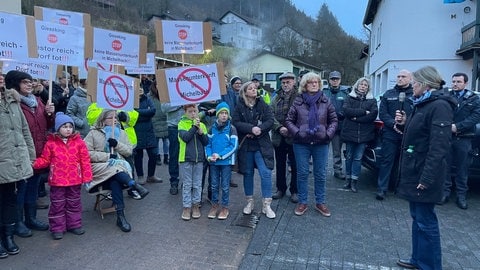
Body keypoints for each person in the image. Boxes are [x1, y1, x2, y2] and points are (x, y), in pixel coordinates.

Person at [395, 66, 455, 270]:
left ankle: (429, 266)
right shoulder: (423, 104)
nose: (412, 86)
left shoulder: (440, 106)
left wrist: (427, 178)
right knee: (417, 218)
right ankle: (418, 260)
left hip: (424, 174)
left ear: (426, 84)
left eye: (415, 83)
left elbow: (439, 147)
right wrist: (404, 124)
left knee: (426, 221)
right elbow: (420, 135)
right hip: (415, 170)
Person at [84, 109, 149, 232]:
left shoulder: (122, 134)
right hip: (99, 170)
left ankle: (120, 216)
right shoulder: (93, 133)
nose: (115, 120)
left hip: (116, 172)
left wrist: (117, 144)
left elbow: (129, 151)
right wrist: (107, 157)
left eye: (116, 118)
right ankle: (133, 184)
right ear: (103, 120)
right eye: (111, 118)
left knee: (115, 181)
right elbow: (86, 153)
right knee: (114, 168)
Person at [6, 70, 53, 237]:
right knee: (21, 189)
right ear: (15, 84)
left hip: (38, 152)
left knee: (32, 187)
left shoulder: (38, 101)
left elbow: (46, 125)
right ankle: (18, 222)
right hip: (21, 153)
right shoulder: (13, 104)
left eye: (30, 81)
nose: (30, 84)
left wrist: (49, 113)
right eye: (25, 82)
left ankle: (31, 218)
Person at [32, 113, 93, 240]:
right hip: (57, 181)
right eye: (64, 126)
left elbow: (85, 160)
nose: (68, 129)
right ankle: (57, 227)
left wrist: (87, 177)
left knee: (74, 204)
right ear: (58, 128)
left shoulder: (79, 142)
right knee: (57, 205)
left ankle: (74, 224)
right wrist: (33, 164)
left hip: (74, 180)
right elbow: (45, 159)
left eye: (70, 126)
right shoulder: (51, 144)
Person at [285, 72, 338, 217]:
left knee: (320, 174)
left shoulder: (326, 101)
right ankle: (303, 202)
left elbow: (334, 120)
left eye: (316, 82)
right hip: (301, 143)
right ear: (305, 85)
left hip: (321, 143)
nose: (314, 84)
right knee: (302, 174)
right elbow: (289, 120)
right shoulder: (298, 101)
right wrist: (297, 132)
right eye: (311, 82)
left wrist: (328, 134)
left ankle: (320, 202)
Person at [0, 74, 36, 258]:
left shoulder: (12, 99)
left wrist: (30, 155)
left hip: (16, 158)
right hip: (2, 159)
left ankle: (8, 236)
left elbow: (24, 130)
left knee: (9, 200)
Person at [232, 81, 276, 219]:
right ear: (245, 92)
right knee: (248, 173)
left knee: (266, 173)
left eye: (254, 88)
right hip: (246, 146)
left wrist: (259, 129)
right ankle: (249, 202)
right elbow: (236, 122)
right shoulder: (239, 106)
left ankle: (266, 205)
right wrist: (250, 129)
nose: (254, 90)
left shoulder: (262, 103)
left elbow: (270, 120)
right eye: (250, 88)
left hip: (261, 144)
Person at [441, 73, 480, 209]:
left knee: (462, 169)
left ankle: (461, 196)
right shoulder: (446, 96)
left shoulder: (474, 98)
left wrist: (458, 127)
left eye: (458, 81)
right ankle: (445, 193)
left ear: (465, 83)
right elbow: (441, 112)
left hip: (464, 138)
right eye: (453, 81)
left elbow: (475, 117)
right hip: (448, 137)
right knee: (446, 166)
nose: (455, 84)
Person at [375, 70, 414, 200]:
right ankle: (382, 189)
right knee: (387, 161)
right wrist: (393, 124)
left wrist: (405, 124)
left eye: (403, 76)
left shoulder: (415, 94)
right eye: (398, 76)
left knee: (406, 163)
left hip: (408, 134)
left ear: (410, 79)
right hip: (390, 134)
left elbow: (419, 114)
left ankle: (402, 189)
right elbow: (383, 113)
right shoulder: (389, 94)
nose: (400, 78)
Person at [341, 77, 378, 193]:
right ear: (357, 86)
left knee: (358, 158)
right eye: (361, 84)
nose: (363, 86)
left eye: (365, 85)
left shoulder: (372, 101)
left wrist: (355, 118)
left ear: (368, 88)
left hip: (364, 134)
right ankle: (347, 179)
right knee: (349, 157)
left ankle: (354, 181)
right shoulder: (349, 97)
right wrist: (363, 113)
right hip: (350, 133)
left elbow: (372, 115)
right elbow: (346, 111)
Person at [206, 102, 238, 220]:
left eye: (226, 113)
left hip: (225, 163)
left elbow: (233, 146)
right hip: (213, 162)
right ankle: (214, 205)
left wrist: (220, 155)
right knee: (214, 185)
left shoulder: (231, 129)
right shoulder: (211, 129)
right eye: (221, 113)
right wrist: (209, 156)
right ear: (217, 115)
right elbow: (207, 145)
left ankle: (225, 207)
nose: (224, 115)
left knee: (225, 186)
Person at [271, 72, 299, 203]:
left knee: (295, 165)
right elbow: (270, 115)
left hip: (294, 137)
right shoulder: (276, 97)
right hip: (279, 136)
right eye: (283, 82)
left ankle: (294, 191)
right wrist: (279, 127)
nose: (285, 85)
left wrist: (290, 128)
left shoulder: (300, 97)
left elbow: (302, 116)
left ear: (293, 82)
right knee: (280, 165)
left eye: (288, 82)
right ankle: (280, 189)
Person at [177, 104, 209, 221]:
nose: (193, 114)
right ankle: (186, 207)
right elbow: (185, 137)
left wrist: (201, 132)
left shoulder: (203, 125)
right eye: (190, 112)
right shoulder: (181, 124)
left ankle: (196, 205)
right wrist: (194, 127)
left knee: (197, 184)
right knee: (187, 184)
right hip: (185, 158)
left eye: (195, 111)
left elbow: (206, 142)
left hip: (199, 159)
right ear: (185, 112)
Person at [133, 87, 162, 184]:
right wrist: (145, 112)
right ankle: (140, 176)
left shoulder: (148, 99)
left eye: (141, 88)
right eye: (138, 88)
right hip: (137, 131)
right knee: (138, 156)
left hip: (149, 131)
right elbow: (132, 114)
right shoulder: (131, 101)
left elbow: (152, 111)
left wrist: (138, 112)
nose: (140, 89)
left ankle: (151, 175)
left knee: (153, 154)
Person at [323, 71, 348, 180]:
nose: (334, 81)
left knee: (337, 151)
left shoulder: (345, 93)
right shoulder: (324, 92)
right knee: (323, 150)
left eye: (336, 79)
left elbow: (346, 108)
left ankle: (338, 170)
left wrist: (338, 115)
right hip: (325, 127)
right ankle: (321, 170)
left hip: (338, 126)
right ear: (329, 80)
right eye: (333, 79)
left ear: (340, 80)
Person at [161, 103, 184, 195]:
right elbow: (164, 108)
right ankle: (174, 182)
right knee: (174, 155)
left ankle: (187, 182)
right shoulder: (167, 91)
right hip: (174, 127)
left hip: (188, 125)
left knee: (189, 155)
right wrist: (179, 103)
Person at [149, 83, 169, 166]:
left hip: (164, 119)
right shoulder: (150, 96)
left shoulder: (165, 95)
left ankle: (166, 157)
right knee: (156, 141)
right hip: (155, 120)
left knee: (166, 141)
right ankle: (157, 157)